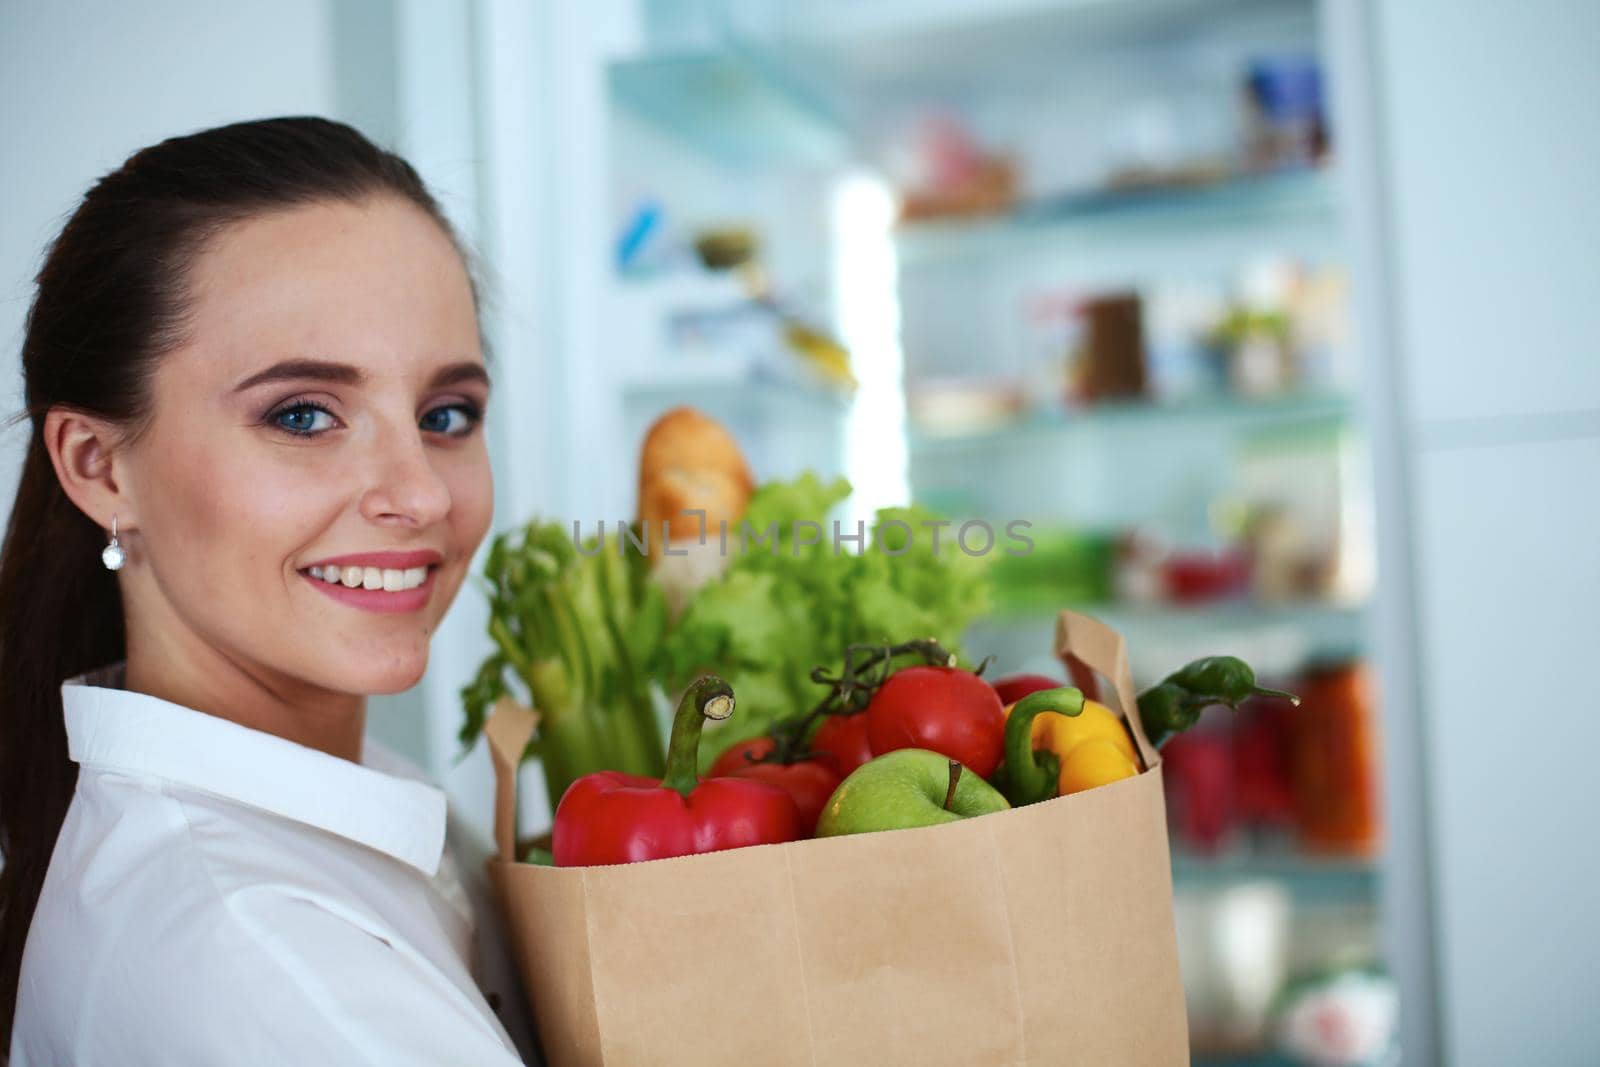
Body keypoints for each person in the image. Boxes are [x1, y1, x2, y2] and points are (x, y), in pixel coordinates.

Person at [0, 117, 535, 1065]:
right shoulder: (265, 968)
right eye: (302, 415)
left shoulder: (366, 811)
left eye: (446, 413)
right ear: (99, 468)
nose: (418, 493)